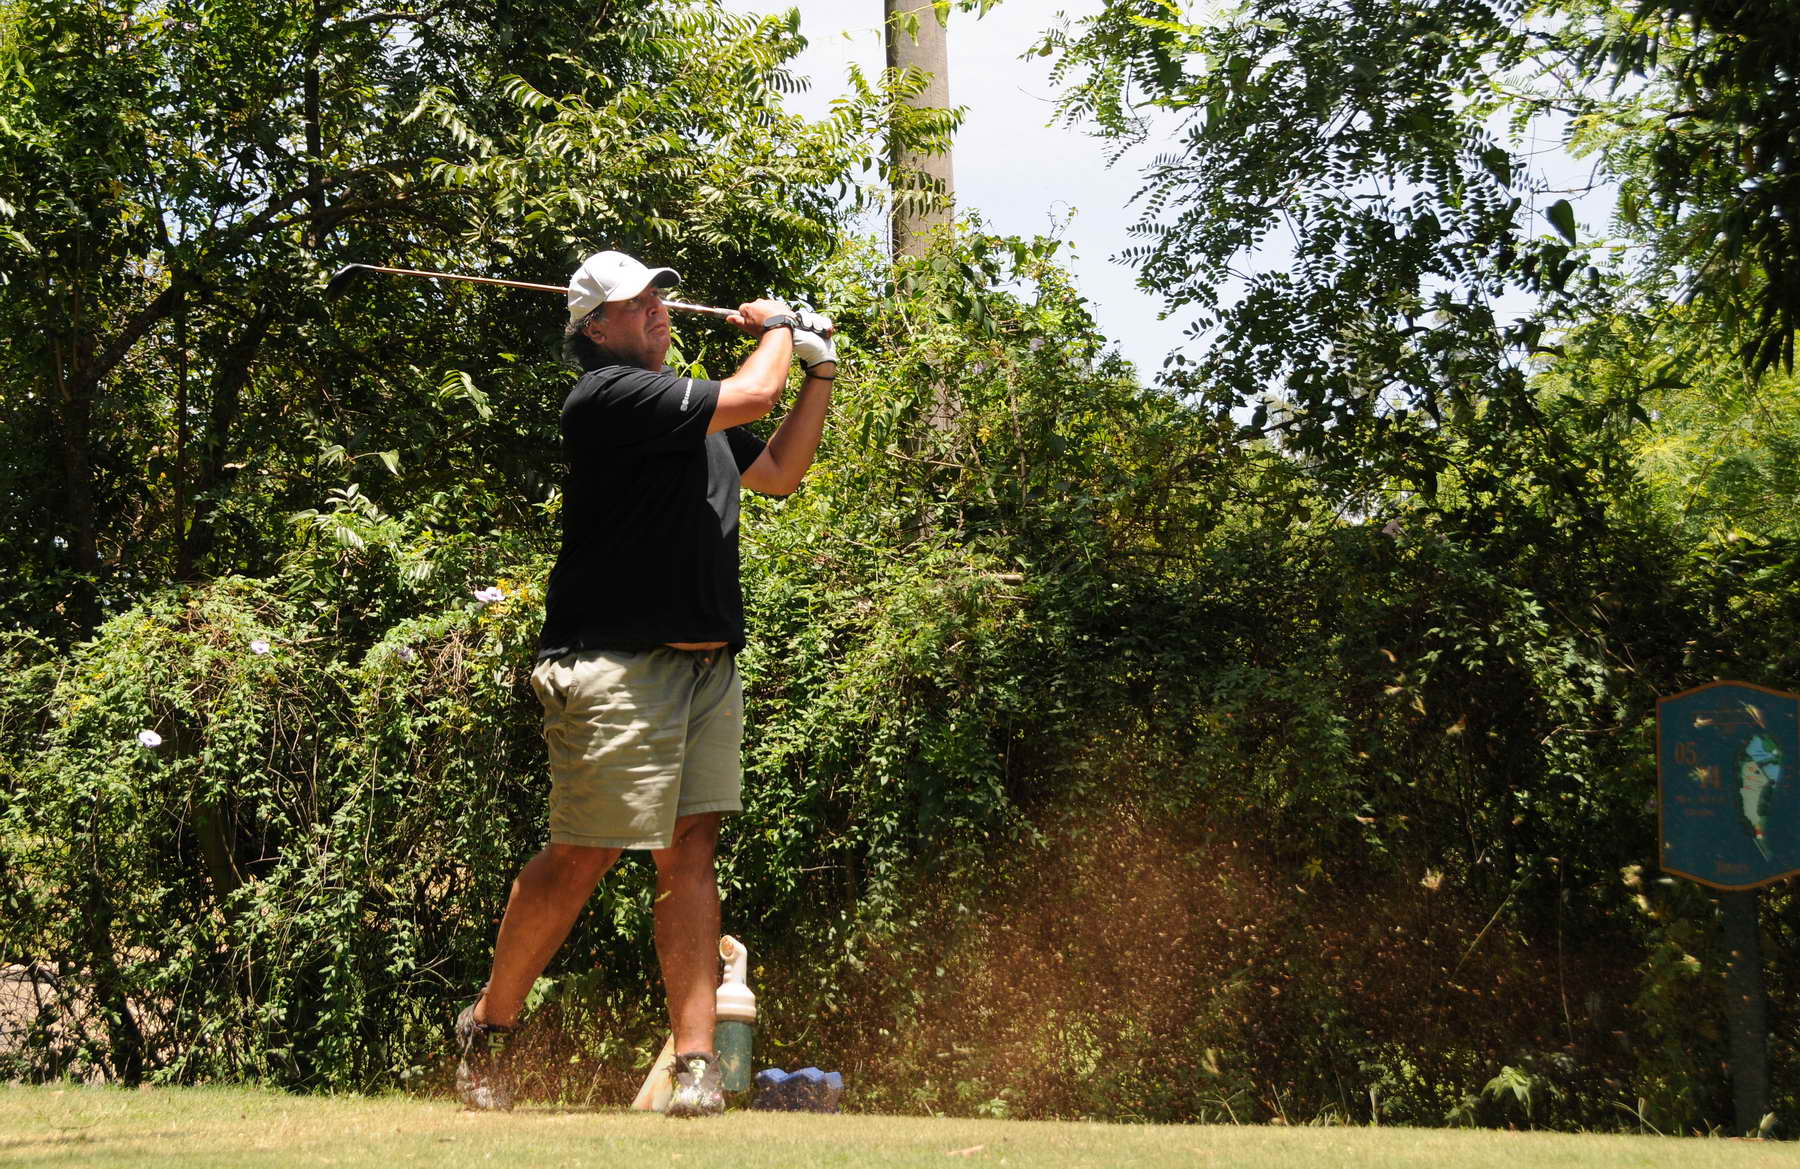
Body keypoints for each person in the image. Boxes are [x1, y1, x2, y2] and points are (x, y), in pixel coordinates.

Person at [455, 250, 837, 1116]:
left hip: (705, 667)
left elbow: (779, 472)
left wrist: (820, 370)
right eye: (635, 303)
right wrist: (782, 328)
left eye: (660, 294)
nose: (658, 308)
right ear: (594, 328)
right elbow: (753, 394)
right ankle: (489, 1026)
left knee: (691, 851)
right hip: (615, 661)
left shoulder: (687, 406)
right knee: (583, 854)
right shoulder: (607, 397)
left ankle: (697, 1065)